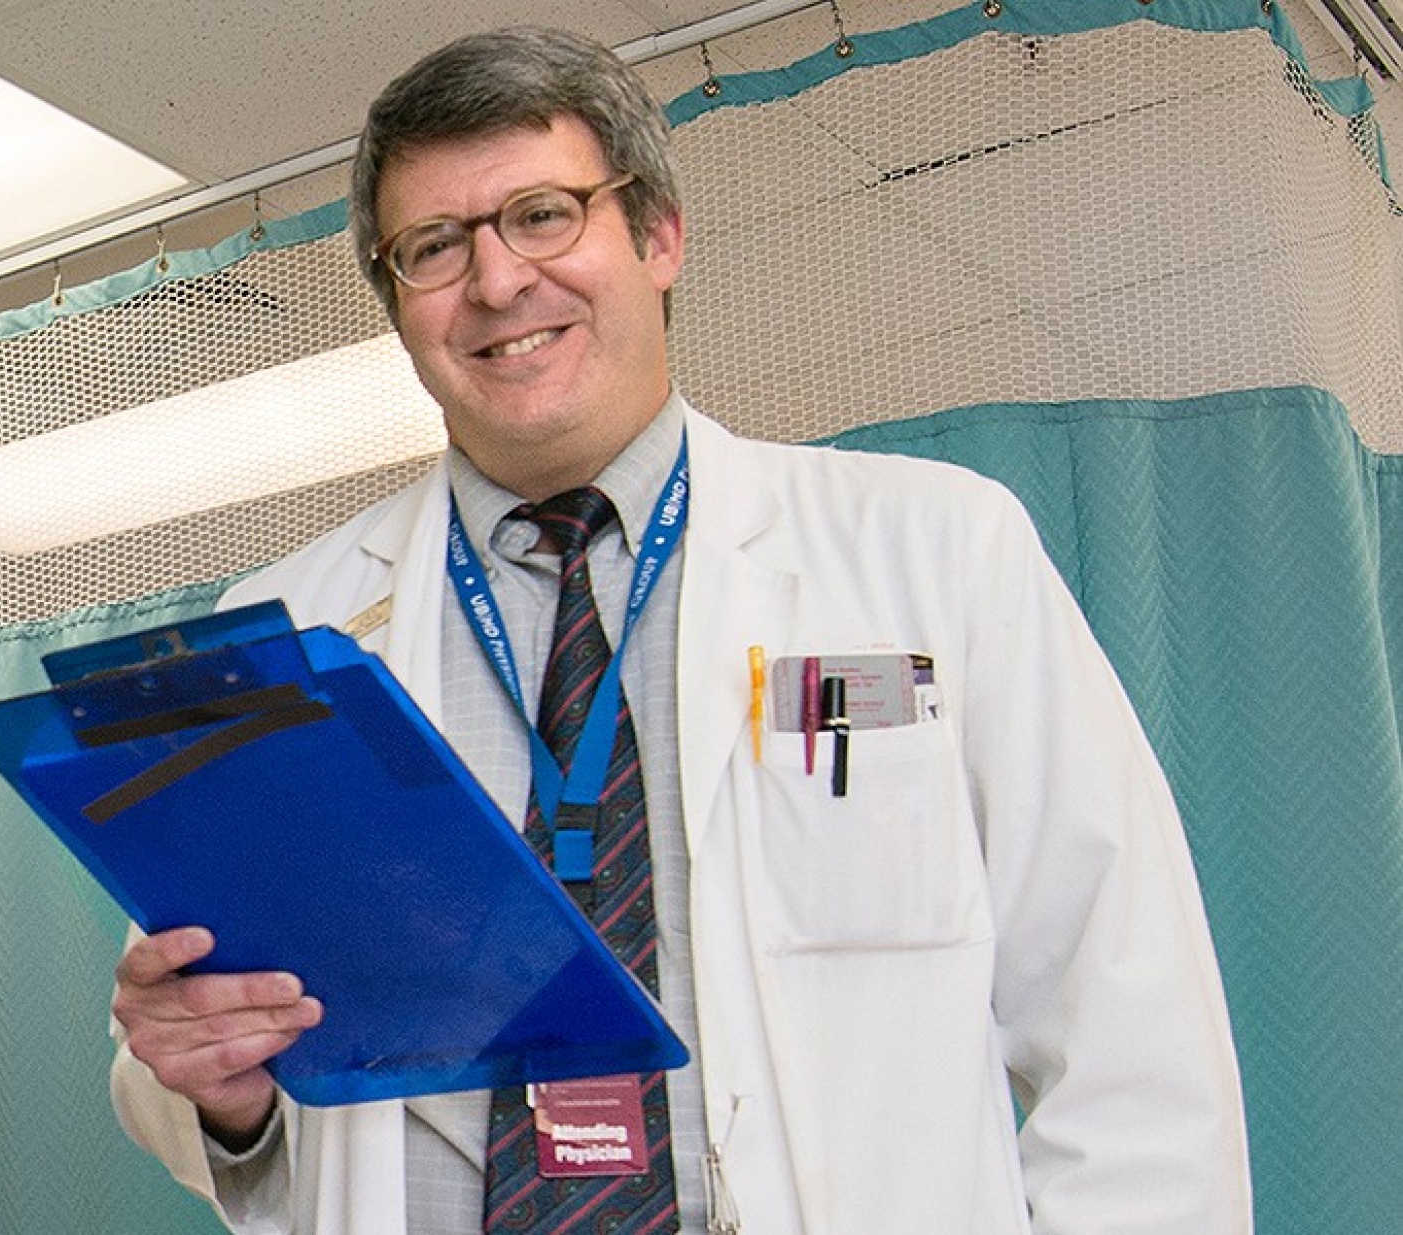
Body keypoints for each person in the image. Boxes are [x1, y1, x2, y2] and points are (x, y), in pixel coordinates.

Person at [109, 25, 1253, 1235]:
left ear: (657, 235)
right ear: (399, 305)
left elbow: (1131, 1037)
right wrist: (214, 1089)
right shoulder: (278, 628)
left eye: (542, 214)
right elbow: (207, 1082)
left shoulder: (936, 552)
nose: (496, 281)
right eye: (433, 246)